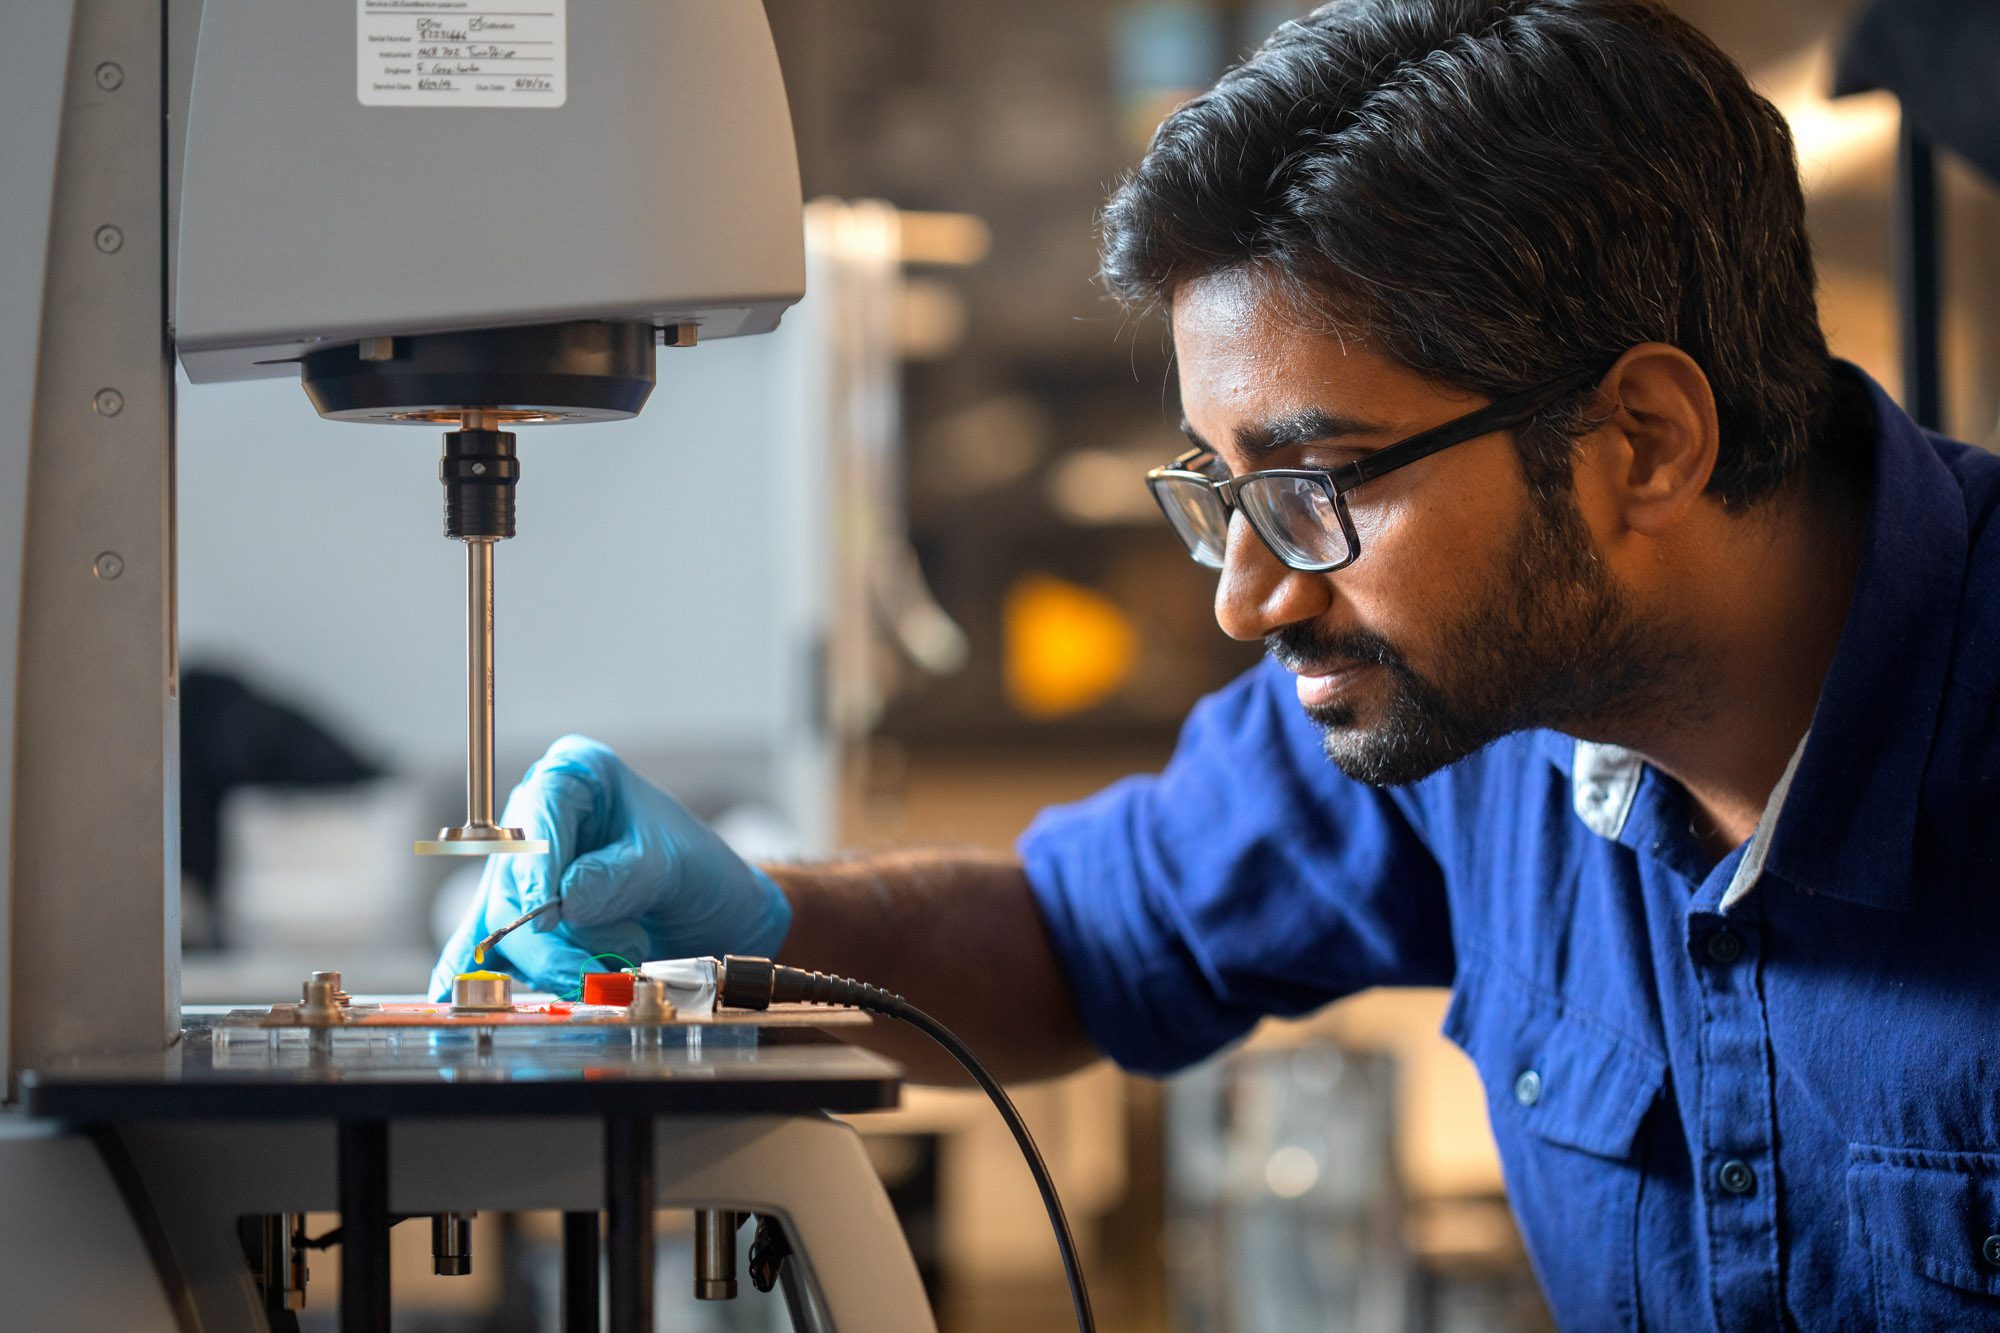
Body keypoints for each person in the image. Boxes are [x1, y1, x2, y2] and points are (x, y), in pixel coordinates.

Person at [433, 1, 2000, 1325]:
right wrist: (745, 934)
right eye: (1220, 491)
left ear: (1641, 441)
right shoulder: (1471, 715)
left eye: (1313, 485)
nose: (1248, 593)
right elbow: (1077, 938)